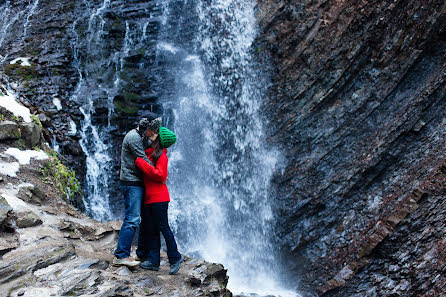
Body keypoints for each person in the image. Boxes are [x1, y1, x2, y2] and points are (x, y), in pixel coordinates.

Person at [112, 112, 162, 267]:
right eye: (152, 130)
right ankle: (120, 255)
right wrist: (160, 174)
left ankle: (141, 254)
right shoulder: (134, 138)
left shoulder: (141, 137)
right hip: (132, 183)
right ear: (145, 127)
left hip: (138, 183)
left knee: (141, 219)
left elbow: (161, 144)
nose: (154, 133)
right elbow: (145, 160)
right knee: (132, 219)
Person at [135, 126, 184, 274]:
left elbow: (161, 176)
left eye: (155, 133)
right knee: (152, 229)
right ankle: (153, 261)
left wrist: (141, 163)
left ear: (159, 139)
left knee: (163, 227)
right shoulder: (149, 153)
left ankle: (175, 258)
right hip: (149, 199)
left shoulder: (162, 156)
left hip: (159, 198)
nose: (152, 134)